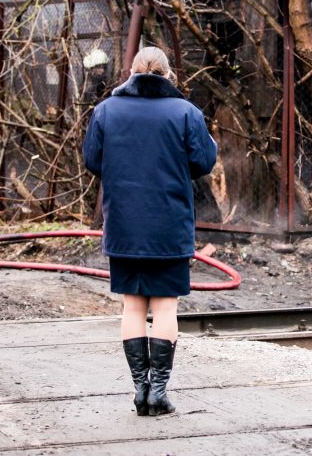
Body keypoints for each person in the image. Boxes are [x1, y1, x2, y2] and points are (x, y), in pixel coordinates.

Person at [82, 46, 217, 417]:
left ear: (131, 72)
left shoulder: (106, 111)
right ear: (168, 74)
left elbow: (93, 160)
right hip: (168, 226)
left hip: (124, 224)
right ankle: (158, 393)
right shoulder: (186, 112)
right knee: (165, 305)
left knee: (132, 306)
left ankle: (140, 391)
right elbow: (204, 161)